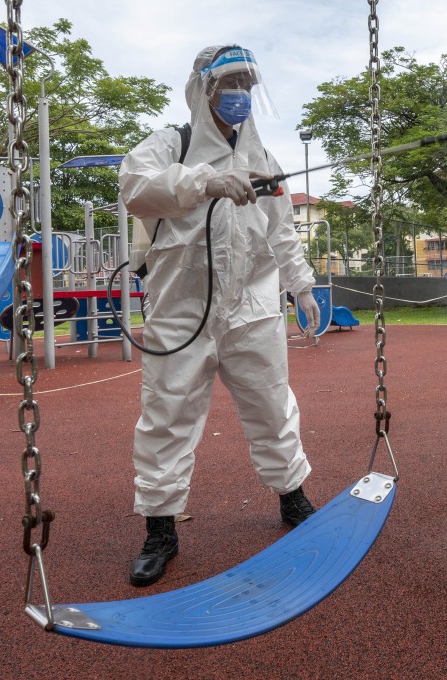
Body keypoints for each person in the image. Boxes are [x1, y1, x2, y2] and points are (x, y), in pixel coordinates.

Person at [118, 45, 322, 587]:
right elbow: (135, 189)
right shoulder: (171, 145)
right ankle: (160, 528)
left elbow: (281, 230)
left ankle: (292, 496)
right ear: (203, 89)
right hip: (180, 309)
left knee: (272, 404)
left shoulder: (265, 161)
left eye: (247, 86)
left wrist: (301, 287)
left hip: (254, 307)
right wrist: (203, 181)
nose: (239, 96)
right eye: (229, 84)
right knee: (166, 416)